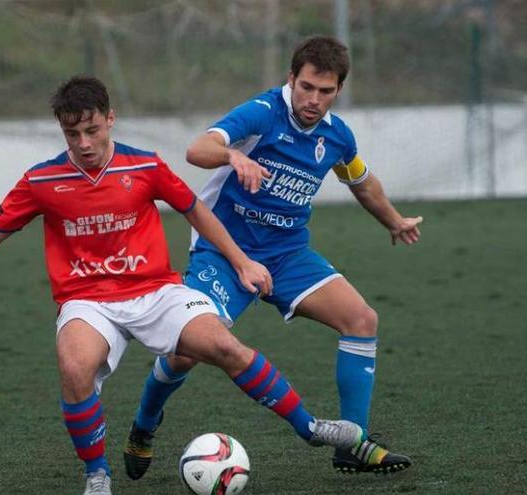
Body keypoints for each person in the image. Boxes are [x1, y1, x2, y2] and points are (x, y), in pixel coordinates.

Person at [0, 75, 371, 495]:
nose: (84, 143)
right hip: (87, 301)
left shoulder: (146, 166)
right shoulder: (43, 180)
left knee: (225, 348)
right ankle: (97, 475)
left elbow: (197, 210)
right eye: (72, 134)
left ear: (110, 119)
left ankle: (310, 428)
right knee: (75, 370)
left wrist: (241, 261)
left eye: (92, 130)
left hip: (155, 291)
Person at [124, 36, 419, 478]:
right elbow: (197, 149)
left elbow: (362, 181)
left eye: (326, 91)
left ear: (339, 89)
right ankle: (144, 426)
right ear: (290, 79)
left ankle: (351, 442)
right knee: (186, 353)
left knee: (362, 319)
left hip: (288, 255)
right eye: (306, 87)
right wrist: (232, 157)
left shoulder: (337, 136)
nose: (313, 100)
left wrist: (393, 221)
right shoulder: (263, 114)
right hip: (225, 253)